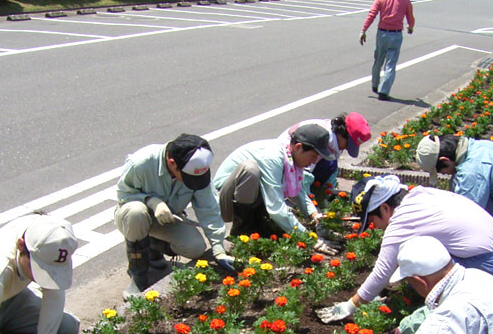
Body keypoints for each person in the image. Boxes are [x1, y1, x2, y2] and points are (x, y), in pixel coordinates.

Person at [316, 174, 493, 324]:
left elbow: (382, 273)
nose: (373, 226)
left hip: (490, 266)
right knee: (418, 262)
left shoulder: (401, 222)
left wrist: (349, 306)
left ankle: (446, 310)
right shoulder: (419, 194)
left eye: (372, 220)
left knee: (415, 269)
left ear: (385, 208)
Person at [114, 133, 234, 300]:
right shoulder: (141, 163)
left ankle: (153, 251)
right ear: (172, 163)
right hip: (134, 218)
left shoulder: (196, 168)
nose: (191, 182)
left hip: (168, 219)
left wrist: (218, 248)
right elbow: (123, 195)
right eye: (188, 178)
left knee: (196, 247)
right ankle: (139, 275)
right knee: (136, 212)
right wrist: (152, 201)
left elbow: (208, 208)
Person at [213, 124, 340, 254]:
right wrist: (310, 240)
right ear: (298, 147)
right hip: (222, 205)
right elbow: (276, 208)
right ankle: (241, 230)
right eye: (313, 156)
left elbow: (298, 192)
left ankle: (258, 224)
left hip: (247, 197)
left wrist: (314, 215)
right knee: (250, 170)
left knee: (275, 211)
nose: (314, 162)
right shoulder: (273, 157)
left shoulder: (291, 157)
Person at [415, 134, 493, 245]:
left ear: (445, 160)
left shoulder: (472, 171)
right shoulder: (477, 147)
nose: (443, 174)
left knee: (461, 216)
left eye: (440, 172)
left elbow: (466, 215)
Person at [277, 112, 371, 193]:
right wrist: (309, 202)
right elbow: (305, 173)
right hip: (287, 161)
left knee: (331, 163)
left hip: (298, 159)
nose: (346, 148)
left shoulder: (334, 138)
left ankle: (317, 192)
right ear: (342, 133)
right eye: (347, 144)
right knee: (328, 163)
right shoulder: (322, 137)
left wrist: (327, 192)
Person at [359, 0, 416, 101]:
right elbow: (410, 19)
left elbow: (371, 15)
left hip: (381, 33)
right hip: (395, 34)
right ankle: (384, 92)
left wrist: (363, 30)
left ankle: (375, 84)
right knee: (390, 64)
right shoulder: (406, 2)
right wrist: (410, 27)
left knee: (378, 59)